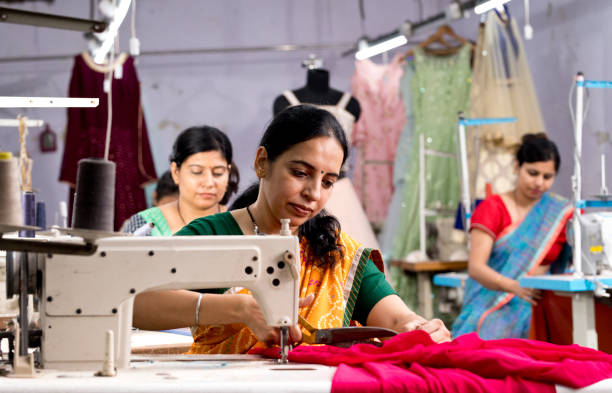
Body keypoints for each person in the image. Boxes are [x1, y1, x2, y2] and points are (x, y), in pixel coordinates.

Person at [132, 105, 450, 352]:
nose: (314, 193)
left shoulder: (336, 253)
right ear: (262, 163)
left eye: (328, 181)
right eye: (300, 172)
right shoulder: (213, 235)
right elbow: (136, 303)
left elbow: (395, 319)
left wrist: (418, 326)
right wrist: (238, 308)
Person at [452, 133, 573, 339]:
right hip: (495, 302)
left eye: (547, 177)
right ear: (517, 166)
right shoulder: (492, 208)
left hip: (543, 302)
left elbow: (571, 264)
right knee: (492, 338)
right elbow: (476, 268)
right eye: (532, 173)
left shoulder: (560, 212)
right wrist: (515, 288)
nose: (539, 183)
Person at [121, 126, 239, 236]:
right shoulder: (146, 223)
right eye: (196, 171)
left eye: (218, 173)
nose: (209, 183)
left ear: (228, 172)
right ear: (175, 172)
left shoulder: (240, 221)